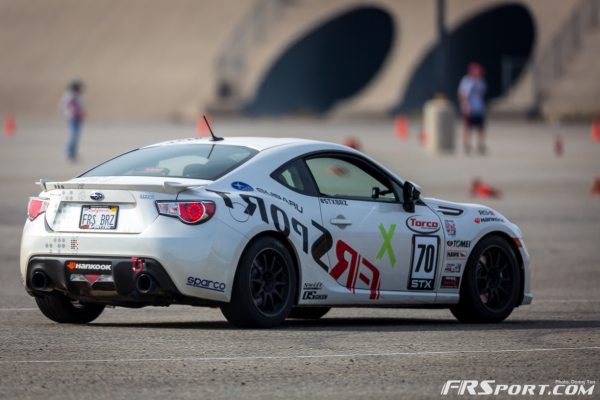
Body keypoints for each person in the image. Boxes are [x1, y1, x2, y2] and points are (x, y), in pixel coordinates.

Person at [458, 63, 487, 155]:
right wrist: (464, 105)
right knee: (468, 128)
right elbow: (462, 94)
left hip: (479, 108)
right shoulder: (467, 81)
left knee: (480, 128)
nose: (478, 73)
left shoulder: (480, 81)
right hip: (469, 109)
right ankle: (467, 145)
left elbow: (483, 92)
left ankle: (480, 145)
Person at [60, 80, 85, 161]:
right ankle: (68, 153)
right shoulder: (70, 96)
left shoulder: (75, 96)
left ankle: (73, 153)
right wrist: (72, 112)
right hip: (73, 118)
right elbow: (66, 106)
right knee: (73, 136)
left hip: (77, 118)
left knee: (76, 136)